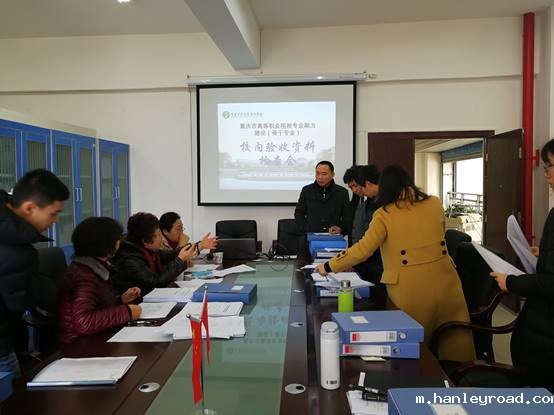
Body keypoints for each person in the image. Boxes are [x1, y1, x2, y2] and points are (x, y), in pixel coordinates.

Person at [316, 165, 474, 362]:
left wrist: (329, 266)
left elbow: (363, 249)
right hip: (448, 283)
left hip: (410, 289)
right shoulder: (434, 203)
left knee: (414, 348)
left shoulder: (384, 214)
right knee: (454, 347)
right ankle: (460, 380)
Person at [490, 138, 554, 391]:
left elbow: (550, 283)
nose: (546, 174)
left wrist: (511, 282)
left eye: (549, 167)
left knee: (539, 393)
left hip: (547, 331)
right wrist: (544, 256)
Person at [0, 169, 69, 377]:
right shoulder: (16, 251)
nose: (56, 220)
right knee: (13, 393)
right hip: (1, 347)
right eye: (53, 213)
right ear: (29, 207)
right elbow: (22, 302)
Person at [58, 217, 142, 344]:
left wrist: (121, 300)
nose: (120, 241)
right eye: (117, 238)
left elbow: (96, 305)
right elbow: (83, 322)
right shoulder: (83, 277)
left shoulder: (92, 267)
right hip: (79, 344)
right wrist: (127, 312)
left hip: (95, 337)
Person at [112, 212, 216, 295]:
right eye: (158, 235)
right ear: (145, 241)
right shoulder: (130, 259)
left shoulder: (147, 250)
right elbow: (156, 281)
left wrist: (199, 246)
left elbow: (171, 255)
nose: (161, 239)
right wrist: (180, 260)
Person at [294, 161, 351, 256]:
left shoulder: (342, 192)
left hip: (333, 241)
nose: (320, 177)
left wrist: (341, 229)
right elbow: (299, 213)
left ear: (332, 175)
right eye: (317, 173)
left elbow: (347, 217)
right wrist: (306, 229)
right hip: (310, 240)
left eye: (324, 174)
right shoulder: (307, 190)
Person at [351, 165, 384, 284]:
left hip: (379, 262)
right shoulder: (367, 203)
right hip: (367, 261)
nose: (359, 191)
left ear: (368, 183)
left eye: (360, 187)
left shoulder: (384, 205)